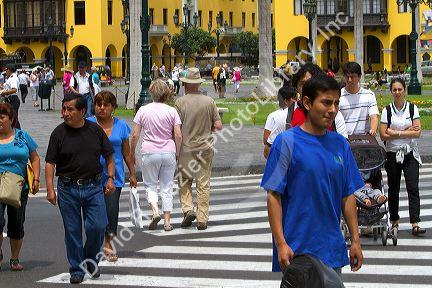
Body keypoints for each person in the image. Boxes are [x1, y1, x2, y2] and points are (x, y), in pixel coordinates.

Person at [262, 74, 363, 278]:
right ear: (307, 103)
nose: (333, 110)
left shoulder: (340, 145)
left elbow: (347, 195)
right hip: (297, 250)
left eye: (336, 103)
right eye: (326, 103)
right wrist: (281, 243)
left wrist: (355, 240)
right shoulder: (286, 143)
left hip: (331, 248)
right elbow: (273, 196)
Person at [45, 93, 115, 284]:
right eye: (64, 109)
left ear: (82, 111)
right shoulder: (58, 133)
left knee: (98, 225)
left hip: (93, 187)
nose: (65, 113)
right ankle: (77, 269)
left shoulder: (95, 131)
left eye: (70, 109)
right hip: (67, 189)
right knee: (72, 231)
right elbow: (50, 163)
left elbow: (109, 155)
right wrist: (50, 189)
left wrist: (110, 179)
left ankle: (90, 260)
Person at [87, 91, 136, 262]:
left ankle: (109, 243)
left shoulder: (121, 126)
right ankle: (93, 244)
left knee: (111, 210)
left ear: (113, 107)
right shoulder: (88, 124)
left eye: (106, 105)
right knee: (93, 213)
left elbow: (127, 152)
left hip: (114, 176)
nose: (101, 108)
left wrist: (132, 173)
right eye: (98, 104)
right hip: (91, 175)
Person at [131, 79, 182, 231]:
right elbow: (178, 135)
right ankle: (167, 221)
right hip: (168, 151)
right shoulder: (172, 111)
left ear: (152, 92)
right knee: (167, 187)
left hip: (149, 151)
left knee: (150, 184)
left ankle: (154, 211)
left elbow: (135, 135)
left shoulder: (143, 110)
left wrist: (132, 152)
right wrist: (177, 152)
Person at [175, 68, 222, 230]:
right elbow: (218, 125)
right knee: (203, 184)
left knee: (184, 180)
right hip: (205, 148)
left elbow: (176, 128)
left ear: (185, 84)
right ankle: (202, 218)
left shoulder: (180, 102)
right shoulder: (209, 101)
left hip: (186, 148)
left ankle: (188, 209)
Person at [379, 78, 425, 236]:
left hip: (409, 153)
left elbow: (417, 132)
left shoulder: (412, 108)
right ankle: (394, 221)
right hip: (393, 154)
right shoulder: (387, 110)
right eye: (394, 90)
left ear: (404, 90)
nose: (397, 92)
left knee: (413, 188)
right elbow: (383, 134)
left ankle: (415, 223)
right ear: (391, 91)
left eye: (400, 89)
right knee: (393, 189)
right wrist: (407, 130)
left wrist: (397, 132)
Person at [0, 103, 40, 271]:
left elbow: (35, 158)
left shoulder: (23, 137)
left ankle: (14, 259)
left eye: (2, 117)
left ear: (11, 119)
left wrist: (37, 178)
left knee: (16, 224)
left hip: (19, 188)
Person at [340, 61, 379, 136]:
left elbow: (374, 117)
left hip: (363, 139)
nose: (349, 80)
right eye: (347, 76)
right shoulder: (339, 96)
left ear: (359, 77)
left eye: (353, 76)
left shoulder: (369, 95)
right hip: (344, 139)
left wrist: (373, 129)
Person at [263, 86, 298, 159]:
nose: (297, 100)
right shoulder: (302, 114)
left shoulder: (273, 116)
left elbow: (266, 140)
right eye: (295, 98)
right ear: (286, 100)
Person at [0, 64, 21, 128]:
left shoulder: (13, 78)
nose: (5, 72)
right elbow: (7, 87)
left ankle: (19, 134)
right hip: (10, 99)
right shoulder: (11, 77)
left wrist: (4, 93)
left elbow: (14, 89)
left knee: (13, 119)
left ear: (9, 70)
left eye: (6, 70)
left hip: (12, 99)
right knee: (12, 118)